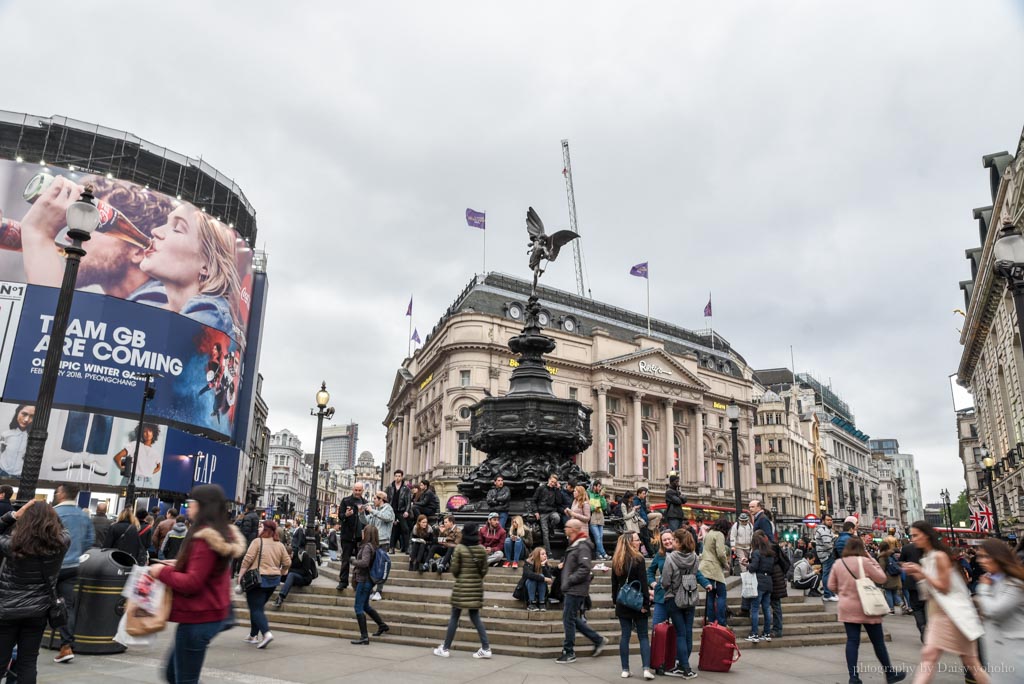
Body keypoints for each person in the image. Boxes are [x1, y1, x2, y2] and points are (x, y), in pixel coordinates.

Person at [149, 485, 245, 683]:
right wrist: (179, 564)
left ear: (203, 506)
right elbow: (207, 570)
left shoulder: (205, 538)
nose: (188, 507)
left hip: (198, 616)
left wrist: (161, 571)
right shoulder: (220, 534)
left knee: (183, 679)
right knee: (173, 674)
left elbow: (193, 582)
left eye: (191, 503)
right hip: (209, 613)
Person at [902, 521, 988, 684]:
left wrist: (921, 573)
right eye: (911, 536)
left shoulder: (939, 556)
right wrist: (918, 574)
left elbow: (944, 587)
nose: (912, 539)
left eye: (915, 535)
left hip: (953, 615)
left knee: (971, 662)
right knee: (930, 655)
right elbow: (931, 589)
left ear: (926, 535)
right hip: (941, 614)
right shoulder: (928, 557)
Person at [139, 203, 243, 338]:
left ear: (207, 267)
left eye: (177, 228)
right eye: (166, 222)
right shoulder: (149, 297)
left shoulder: (210, 315)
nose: (155, 231)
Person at [0, 498, 69, 683]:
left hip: (7, 610)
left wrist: (13, 515)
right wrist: (49, 515)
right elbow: (63, 531)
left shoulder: (12, 544)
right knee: (28, 662)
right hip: (38, 611)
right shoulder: (61, 544)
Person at [827, 535, 906, 684]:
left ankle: (853, 677)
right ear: (862, 549)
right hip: (868, 606)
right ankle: (889, 673)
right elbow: (882, 578)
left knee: (852, 641)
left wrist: (843, 592)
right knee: (878, 642)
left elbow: (831, 586)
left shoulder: (838, 563)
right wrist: (870, 558)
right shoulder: (865, 561)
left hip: (847, 607)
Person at [432, 523, 491, 658]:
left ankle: (445, 648)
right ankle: (486, 647)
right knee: (475, 617)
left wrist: (462, 577)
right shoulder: (481, 550)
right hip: (476, 588)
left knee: (454, 616)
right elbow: (484, 570)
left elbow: (455, 569)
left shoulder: (459, 549)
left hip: (461, 587)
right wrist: (476, 578)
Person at [51, 483, 94, 665]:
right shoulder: (83, 516)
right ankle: (66, 645)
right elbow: (89, 541)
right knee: (66, 606)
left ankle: (29, 641)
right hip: (74, 566)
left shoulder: (53, 513)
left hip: (52, 566)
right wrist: (75, 554)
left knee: (38, 601)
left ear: (61, 494)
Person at [556, 519, 608, 664]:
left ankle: (569, 651)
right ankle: (598, 639)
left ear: (573, 529)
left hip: (576, 588)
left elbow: (585, 568)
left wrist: (570, 580)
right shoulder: (575, 545)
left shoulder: (582, 545)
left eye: (566, 526)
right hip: (572, 588)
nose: (564, 529)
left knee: (568, 618)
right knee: (571, 618)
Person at [975, 538, 1024, 682]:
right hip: (996, 651)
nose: (981, 561)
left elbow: (995, 611)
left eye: (986, 556)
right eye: (980, 556)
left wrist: (983, 589)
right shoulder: (992, 580)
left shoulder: (1015, 583)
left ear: (998, 557)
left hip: (1015, 651)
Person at [237, 519, 290, 648]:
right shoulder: (280, 545)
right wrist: (282, 571)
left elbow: (247, 560)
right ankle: (253, 635)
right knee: (258, 607)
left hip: (258, 580)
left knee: (255, 608)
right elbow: (287, 562)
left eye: (261, 526)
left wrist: (240, 576)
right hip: (273, 581)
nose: (258, 528)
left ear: (266, 529)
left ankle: (266, 633)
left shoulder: (257, 542)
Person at [662, 527, 706, 679]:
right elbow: (694, 574)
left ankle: (685, 669)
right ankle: (683, 664)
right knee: (688, 632)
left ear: (679, 543)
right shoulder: (694, 557)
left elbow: (666, 581)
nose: (672, 542)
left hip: (674, 598)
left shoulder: (671, 558)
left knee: (680, 634)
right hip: (690, 595)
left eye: (674, 540)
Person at [611, 530, 654, 680]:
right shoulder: (638, 559)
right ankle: (646, 669)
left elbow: (614, 584)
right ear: (630, 542)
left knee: (625, 636)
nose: (639, 542)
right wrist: (646, 605)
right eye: (636, 540)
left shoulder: (616, 559)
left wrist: (616, 601)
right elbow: (643, 583)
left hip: (623, 603)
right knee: (643, 636)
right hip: (637, 602)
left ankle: (625, 669)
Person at [348, 525, 390, 645]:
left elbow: (364, 563)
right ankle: (382, 625)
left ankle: (364, 637)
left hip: (363, 580)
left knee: (358, 607)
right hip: (369, 581)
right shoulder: (374, 546)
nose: (362, 532)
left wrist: (352, 561)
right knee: (365, 605)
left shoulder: (367, 547)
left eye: (363, 531)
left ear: (367, 534)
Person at [698, 517, 731, 625]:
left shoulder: (709, 533)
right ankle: (721, 622)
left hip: (704, 567)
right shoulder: (719, 535)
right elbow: (721, 553)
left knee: (710, 596)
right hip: (714, 568)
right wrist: (726, 565)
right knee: (722, 595)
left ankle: (711, 621)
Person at [336, 483, 366, 591]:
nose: (357, 492)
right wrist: (346, 515)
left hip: (359, 537)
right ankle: (343, 582)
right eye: (356, 490)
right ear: (353, 490)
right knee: (345, 559)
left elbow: (367, 521)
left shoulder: (364, 503)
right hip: (347, 536)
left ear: (362, 491)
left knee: (360, 561)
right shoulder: (346, 501)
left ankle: (357, 582)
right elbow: (340, 516)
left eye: (359, 490)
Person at [112, 424, 162, 488]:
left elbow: (158, 467)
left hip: (148, 483)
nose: (147, 433)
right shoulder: (135, 445)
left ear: (154, 433)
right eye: (145, 431)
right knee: (124, 498)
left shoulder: (156, 453)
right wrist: (122, 468)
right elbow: (117, 457)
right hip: (132, 480)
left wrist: (148, 472)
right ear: (141, 434)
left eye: (150, 431)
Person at [746, 530, 774, 642]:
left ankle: (754, 634)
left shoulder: (756, 552)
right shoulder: (770, 553)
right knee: (767, 608)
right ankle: (767, 633)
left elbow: (753, 567)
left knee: (755, 609)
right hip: (768, 581)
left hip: (759, 582)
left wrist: (747, 565)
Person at [273, 545, 317, 609]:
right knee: (276, 574)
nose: (287, 560)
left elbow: (305, 571)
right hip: (291, 577)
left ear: (292, 553)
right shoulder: (285, 558)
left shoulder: (303, 555)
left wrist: (289, 570)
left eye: (288, 557)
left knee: (291, 575)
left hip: (304, 578)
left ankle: (280, 597)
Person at [0, 404, 33, 479]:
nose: (26, 419)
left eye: (31, 416)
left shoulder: (32, 438)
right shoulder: (6, 434)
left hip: (19, 477)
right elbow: (1, 452)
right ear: (17, 412)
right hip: (2, 473)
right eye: (24, 414)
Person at [533, 474, 563, 557]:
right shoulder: (541, 488)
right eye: (552, 481)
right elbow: (534, 500)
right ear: (548, 480)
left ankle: (551, 527)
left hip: (552, 512)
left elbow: (559, 501)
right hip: (542, 513)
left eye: (554, 482)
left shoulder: (555, 490)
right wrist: (536, 511)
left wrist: (558, 490)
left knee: (557, 518)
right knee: (545, 534)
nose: (552, 483)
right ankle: (548, 552)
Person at [521, 547, 555, 611]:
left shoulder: (546, 565)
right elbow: (529, 574)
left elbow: (549, 579)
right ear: (537, 555)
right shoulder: (528, 563)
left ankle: (541, 602)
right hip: (528, 587)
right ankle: (531, 603)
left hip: (541, 587)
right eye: (542, 554)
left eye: (545, 554)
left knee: (541, 576)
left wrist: (543, 566)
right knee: (534, 578)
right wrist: (543, 578)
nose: (545, 555)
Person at [385, 470, 412, 553]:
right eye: (396, 476)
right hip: (392, 511)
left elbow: (408, 501)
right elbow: (387, 499)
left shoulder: (406, 488)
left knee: (405, 529)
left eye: (399, 476)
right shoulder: (390, 487)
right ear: (394, 476)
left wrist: (407, 511)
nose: (397, 478)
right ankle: (391, 547)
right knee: (393, 529)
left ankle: (407, 547)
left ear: (402, 477)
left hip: (401, 511)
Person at [815, 514, 839, 602]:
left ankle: (830, 593)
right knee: (827, 574)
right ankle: (827, 594)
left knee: (829, 574)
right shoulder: (823, 529)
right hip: (827, 555)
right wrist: (832, 552)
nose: (830, 521)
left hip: (826, 554)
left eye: (831, 520)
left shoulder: (826, 530)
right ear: (823, 521)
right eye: (828, 520)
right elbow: (827, 543)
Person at [769, 541, 790, 639]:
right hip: (778, 588)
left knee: (776, 607)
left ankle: (777, 629)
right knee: (777, 607)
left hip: (775, 588)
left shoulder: (773, 564)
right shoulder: (779, 563)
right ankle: (777, 628)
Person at [876, 541, 904, 614]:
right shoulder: (892, 554)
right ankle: (900, 602)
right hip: (895, 575)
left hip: (888, 576)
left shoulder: (882, 556)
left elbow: (882, 567)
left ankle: (891, 608)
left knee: (888, 592)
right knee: (894, 592)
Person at [587, 481, 610, 561]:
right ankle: (604, 553)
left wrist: (601, 497)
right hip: (593, 518)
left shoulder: (600, 495)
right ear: (594, 486)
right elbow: (587, 506)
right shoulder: (589, 494)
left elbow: (604, 507)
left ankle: (598, 554)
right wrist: (594, 508)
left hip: (600, 517)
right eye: (598, 486)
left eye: (600, 487)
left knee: (600, 537)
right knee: (597, 536)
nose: (600, 488)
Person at [633, 488, 658, 556]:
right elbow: (637, 512)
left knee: (644, 538)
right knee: (643, 538)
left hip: (644, 522)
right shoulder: (636, 501)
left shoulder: (641, 501)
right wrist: (642, 520)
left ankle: (649, 553)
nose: (645, 495)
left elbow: (644, 511)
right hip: (641, 522)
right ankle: (650, 553)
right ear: (639, 493)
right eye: (643, 493)